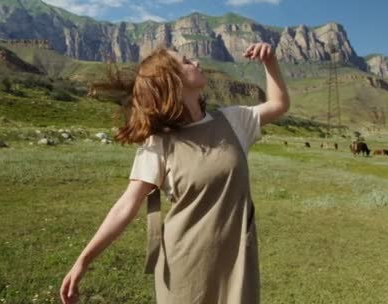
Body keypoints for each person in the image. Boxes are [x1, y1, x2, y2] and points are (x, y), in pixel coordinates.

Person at [60, 42, 289, 304]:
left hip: (237, 260)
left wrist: (270, 62)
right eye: (186, 61)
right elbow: (127, 205)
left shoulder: (234, 121)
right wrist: (83, 260)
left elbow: (279, 104)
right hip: (186, 267)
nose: (197, 63)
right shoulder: (158, 143)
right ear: (170, 80)